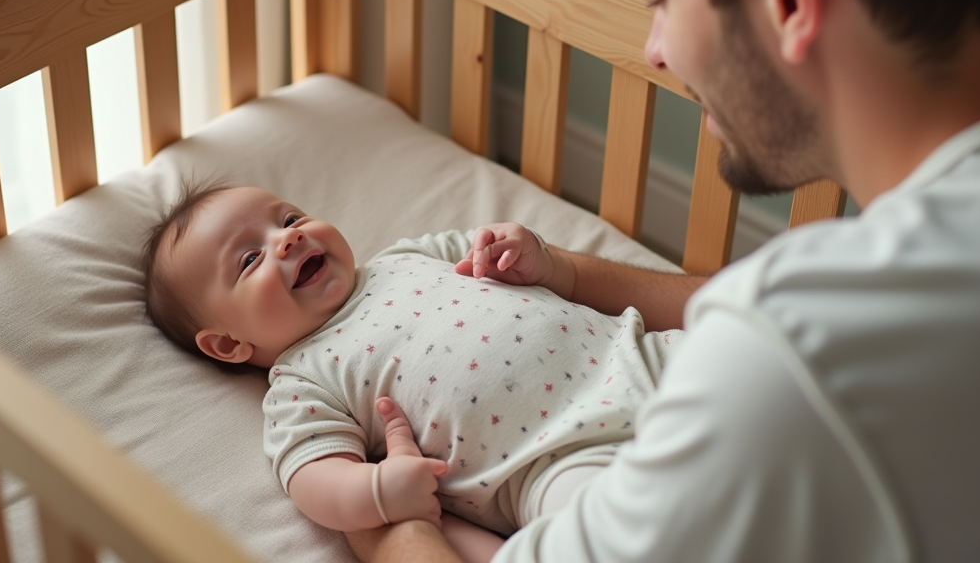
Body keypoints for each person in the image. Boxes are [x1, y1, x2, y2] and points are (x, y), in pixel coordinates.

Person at [345, 0, 980, 561]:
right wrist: (568, 273)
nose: (655, 53)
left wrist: (394, 523)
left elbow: (799, 347)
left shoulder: (793, 364)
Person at [141, 184, 685, 562]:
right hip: (559, 459)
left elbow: (496, 253)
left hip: (647, 356)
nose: (287, 239)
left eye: (288, 219)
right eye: (249, 261)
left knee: (752, 372)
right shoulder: (302, 378)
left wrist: (529, 254)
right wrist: (378, 489)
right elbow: (312, 476)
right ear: (229, 344)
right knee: (626, 536)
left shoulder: (410, 255)